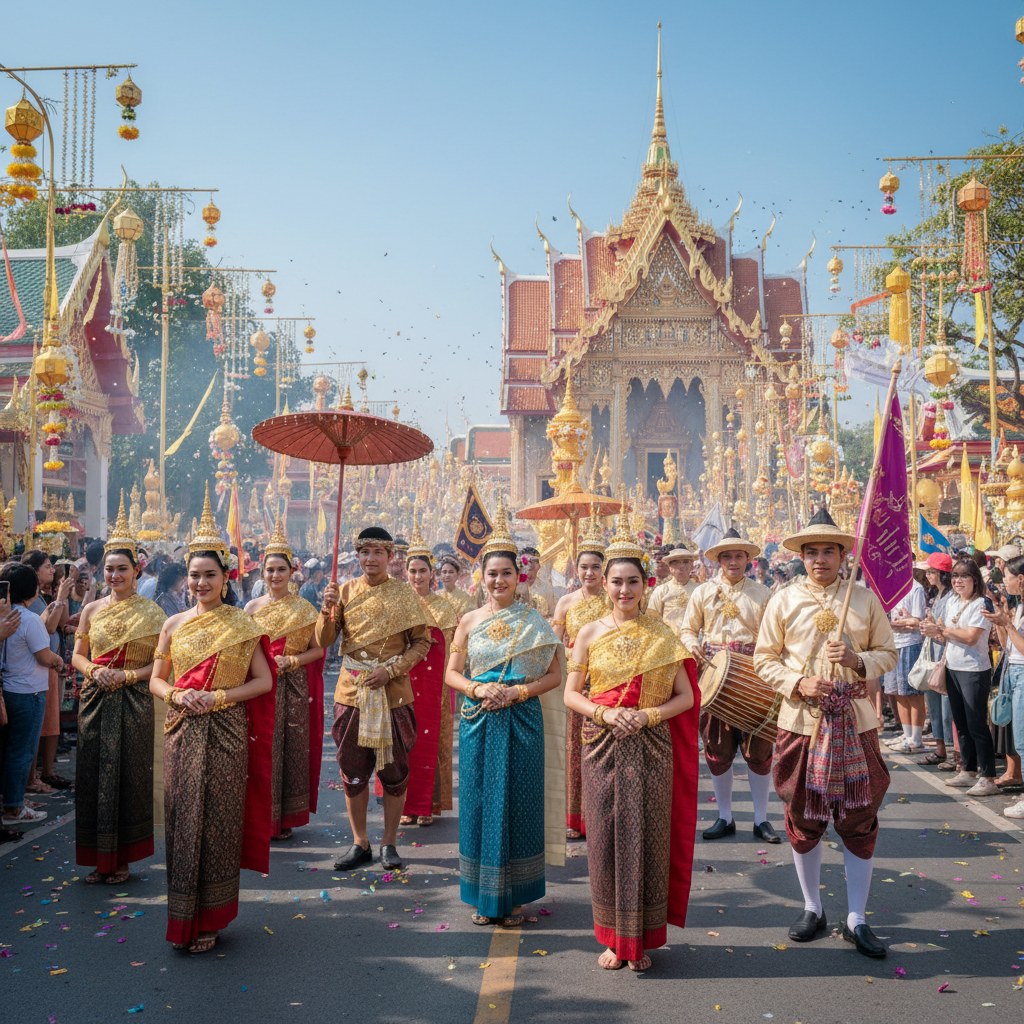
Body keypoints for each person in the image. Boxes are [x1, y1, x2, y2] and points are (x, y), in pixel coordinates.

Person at [754, 508, 897, 959]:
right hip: (801, 722)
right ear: (801, 556)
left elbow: (888, 653)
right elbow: (764, 659)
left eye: (828, 552)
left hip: (856, 722)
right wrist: (798, 682)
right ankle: (812, 906)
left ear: (842, 555)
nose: (820, 559)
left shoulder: (863, 599)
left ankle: (857, 916)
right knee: (803, 813)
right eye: (811, 552)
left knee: (860, 814)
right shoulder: (783, 599)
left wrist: (858, 661)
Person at [565, 511, 699, 971]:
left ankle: (640, 938)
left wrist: (645, 716)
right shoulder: (588, 632)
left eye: (633, 582)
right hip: (600, 744)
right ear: (604, 583)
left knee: (647, 838)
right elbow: (570, 694)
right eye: (617, 582)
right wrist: (605, 713)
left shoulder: (664, 634)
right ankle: (611, 938)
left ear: (647, 585)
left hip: (650, 745)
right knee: (603, 839)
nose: (624, 591)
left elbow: (685, 697)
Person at [148, 484, 274, 953]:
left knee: (218, 821)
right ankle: (183, 914)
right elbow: (156, 681)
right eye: (194, 576)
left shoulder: (242, 624)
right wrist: (178, 695)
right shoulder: (171, 625)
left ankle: (211, 918)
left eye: (209, 576)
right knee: (182, 819)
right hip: (182, 731)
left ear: (226, 578)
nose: (200, 584)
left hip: (224, 732)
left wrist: (218, 696)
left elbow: (263, 682)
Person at [445, 501, 564, 926]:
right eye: (491, 573)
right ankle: (483, 893)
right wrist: (478, 688)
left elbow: (554, 675)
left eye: (506, 573)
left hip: (522, 718)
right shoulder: (468, 621)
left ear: (520, 576)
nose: (498, 580)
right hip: (479, 718)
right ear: (481, 577)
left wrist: (518, 693)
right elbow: (452, 674)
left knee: (521, 802)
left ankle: (516, 895)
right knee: (479, 802)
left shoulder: (535, 621)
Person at [316, 526, 432, 872]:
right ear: (357, 556)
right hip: (351, 694)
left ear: (390, 557)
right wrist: (326, 609)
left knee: (394, 771)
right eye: (364, 553)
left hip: (393, 694)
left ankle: (389, 843)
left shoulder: (405, 594)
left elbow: (421, 643)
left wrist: (393, 669)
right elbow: (323, 641)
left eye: (378, 552)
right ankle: (360, 842)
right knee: (353, 772)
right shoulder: (344, 591)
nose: (370, 559)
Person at [71, 495, 166, 884]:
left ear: (136, 570)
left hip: (134, 702)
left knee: (129, 777)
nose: (114, 576)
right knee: (94, 777)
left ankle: (123, 860)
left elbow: (162, 666)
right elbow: (77, 656)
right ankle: (98, 858)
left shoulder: (153, 612)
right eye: (109, 569)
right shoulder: (92, 609)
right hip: (95, 701)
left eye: (122, 569)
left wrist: (126, 676)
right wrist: (94, 670)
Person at [678, 527, 779, 843]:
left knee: (759, 752)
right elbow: (687, 630)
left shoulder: (763, 594)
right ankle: (725, 817)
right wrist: (692, 644)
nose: (733, 561)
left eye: (738, 556)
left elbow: (775, 639)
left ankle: (762, 819)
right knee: (717, 751)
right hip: (714, 676)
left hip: (755, 677)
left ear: (748, 559)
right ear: (717, 561)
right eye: (727, 556)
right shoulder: (703, 592)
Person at [246, 519, 325, 841]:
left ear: (292, 572)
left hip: (293, 688)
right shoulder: (251, 608)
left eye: (281, 569)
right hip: (258, 688)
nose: (275, 576)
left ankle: (285, 817)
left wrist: (292, 660)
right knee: (260, 748)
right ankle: (261, 816)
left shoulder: (305, 609)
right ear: (262, 573)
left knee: (290, 750)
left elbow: (319, 650)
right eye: (270, 570)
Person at [551, 513, 611, 840]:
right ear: (576, 568)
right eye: (584, 567)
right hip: (576, 686)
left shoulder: (615, 600)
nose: (589, 573)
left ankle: (601, 817)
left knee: (603, 753)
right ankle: (576, 818)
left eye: (595, 567)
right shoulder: (566, 602)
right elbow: (555, 646)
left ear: (605, 570)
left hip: (607, 685)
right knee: (575, 753)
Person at [921, 556, 998, 797]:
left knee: (976, 724)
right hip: (953, 666)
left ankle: (988, 777)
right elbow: (949, 636)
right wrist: (934, 630)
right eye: (955, 576)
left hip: (974, 669)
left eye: (964, 576)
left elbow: (971, 637)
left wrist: (942, 630)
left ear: (975, 579)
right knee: (961, 723)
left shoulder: (982, 603)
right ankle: (968, 769)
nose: (958, 581)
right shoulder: (953, 601)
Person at [400, 529, 459, 826]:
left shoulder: (444, 607)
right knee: (401, 741)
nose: (417, 576)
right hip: (401, 682)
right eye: (413, 571)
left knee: (430, 741)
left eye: (423, 571)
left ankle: (427, 805)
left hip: (434, 687)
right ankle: (403, 805)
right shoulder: (397, 605)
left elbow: (450, 650)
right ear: (405, 572)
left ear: (432, 572)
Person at [1, 563, 66, 827]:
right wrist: (59, 661)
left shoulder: (6, 616)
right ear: (32, 589)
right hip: (29, 693)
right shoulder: (27, 619)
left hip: (9, 690)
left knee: (12, 750)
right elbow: (44, 656)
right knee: (22, 752)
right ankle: (14, 808)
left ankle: (13, 801)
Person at [21, 550, 73, 794]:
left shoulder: (40, 598)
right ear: (33, 571)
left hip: (47, 666)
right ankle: (30, 780)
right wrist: (62, 596)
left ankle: (45, 773)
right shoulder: (28, 602)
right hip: (37, 667)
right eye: (47, 567)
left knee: (49, 724)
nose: (52, 570)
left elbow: (60, 625)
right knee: (35, 728)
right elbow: (48, 628)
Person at [982, 553, 1024, 816]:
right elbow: (1009, 647)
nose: (1003, 583)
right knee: (1019, 739)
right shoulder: (1018, 606)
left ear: (1020, 579)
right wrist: (1001, 622)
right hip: (1014, 672)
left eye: (1007, 577)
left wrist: (1007, 623)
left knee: (1022, 741)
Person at [905, 553, 955, 768]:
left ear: (942, 574)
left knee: (947, 708)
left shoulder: (951, 597)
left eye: (932, 571)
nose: (928, 575)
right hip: (934, 655)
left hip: (946, 657)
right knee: (934, 706)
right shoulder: (936, 595)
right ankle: (940, 749)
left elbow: (950, 629)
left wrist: (936, 629)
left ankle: (954, 755)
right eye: (927, 571)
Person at [881, 575, 928, 753]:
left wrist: (904, 623)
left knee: (912, 692)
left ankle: (917, 737)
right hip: (895, 643)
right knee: (897, 691)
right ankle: (907, 734)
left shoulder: (915, 588)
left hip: (911, 643)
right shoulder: (893, 588)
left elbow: (918, 621)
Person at [647, 544, 698, 638]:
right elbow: (652, 621)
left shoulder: (700, 590)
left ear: (692, 565)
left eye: (686, 562)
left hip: (694, 644)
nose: (681, 566)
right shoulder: (661, 591)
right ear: (669, 566)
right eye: (676, 562)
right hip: (669, 644)